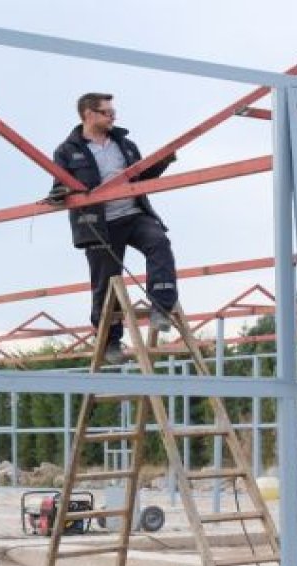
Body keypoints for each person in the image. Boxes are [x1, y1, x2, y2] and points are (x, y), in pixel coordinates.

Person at [49, 92, 180, 365]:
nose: (113, 116)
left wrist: (162, 162)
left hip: (133, 215)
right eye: (107, 112)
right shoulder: (66, 151)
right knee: (107, 284)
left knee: (159, 243)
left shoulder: (125, 145)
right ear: (89, 114)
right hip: (99, 225)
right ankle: (110, 341)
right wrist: (60, 194)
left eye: (113, 111)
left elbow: (141, 178)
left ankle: (162, 308)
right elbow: (57, 187)